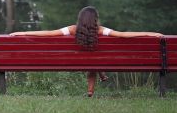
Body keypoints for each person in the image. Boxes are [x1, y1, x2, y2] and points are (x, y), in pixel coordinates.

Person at [10, 6, 163, 97]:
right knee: (94, 59)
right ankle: (97, 80)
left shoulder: (72, 29)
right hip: (96, 61)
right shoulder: (101, 30)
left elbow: (49, 33)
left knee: (91, 59)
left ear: (80, 18)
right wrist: (150, 33)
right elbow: (123, 35)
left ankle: (92, 88)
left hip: (77, 62)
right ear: (95, 19)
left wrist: (22, 33)